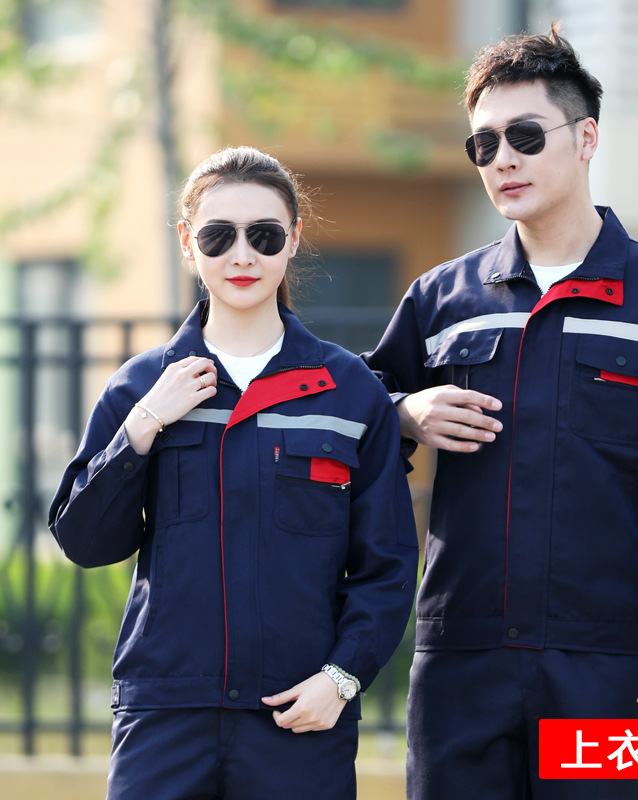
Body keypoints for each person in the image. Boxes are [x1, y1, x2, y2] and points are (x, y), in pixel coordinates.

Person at [363, 25, 638, 800]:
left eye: (525, 136)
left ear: (586, 139)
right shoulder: (441, 300)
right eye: (483, 145)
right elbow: (354, 416)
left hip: (612, 666)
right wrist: (405, 409)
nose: (502, 159)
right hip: (462, 661)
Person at [49, 146, 418, 800]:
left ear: (293, 239)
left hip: (299, 717)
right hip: (166, 716)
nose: (242, 256)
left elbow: (386, 564)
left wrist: (342, 678)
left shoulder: (349, 392)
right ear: (187, 242)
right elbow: (85, 541)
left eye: (264, 235)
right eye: (219, 236)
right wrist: (142, 427)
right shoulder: (139, 386)